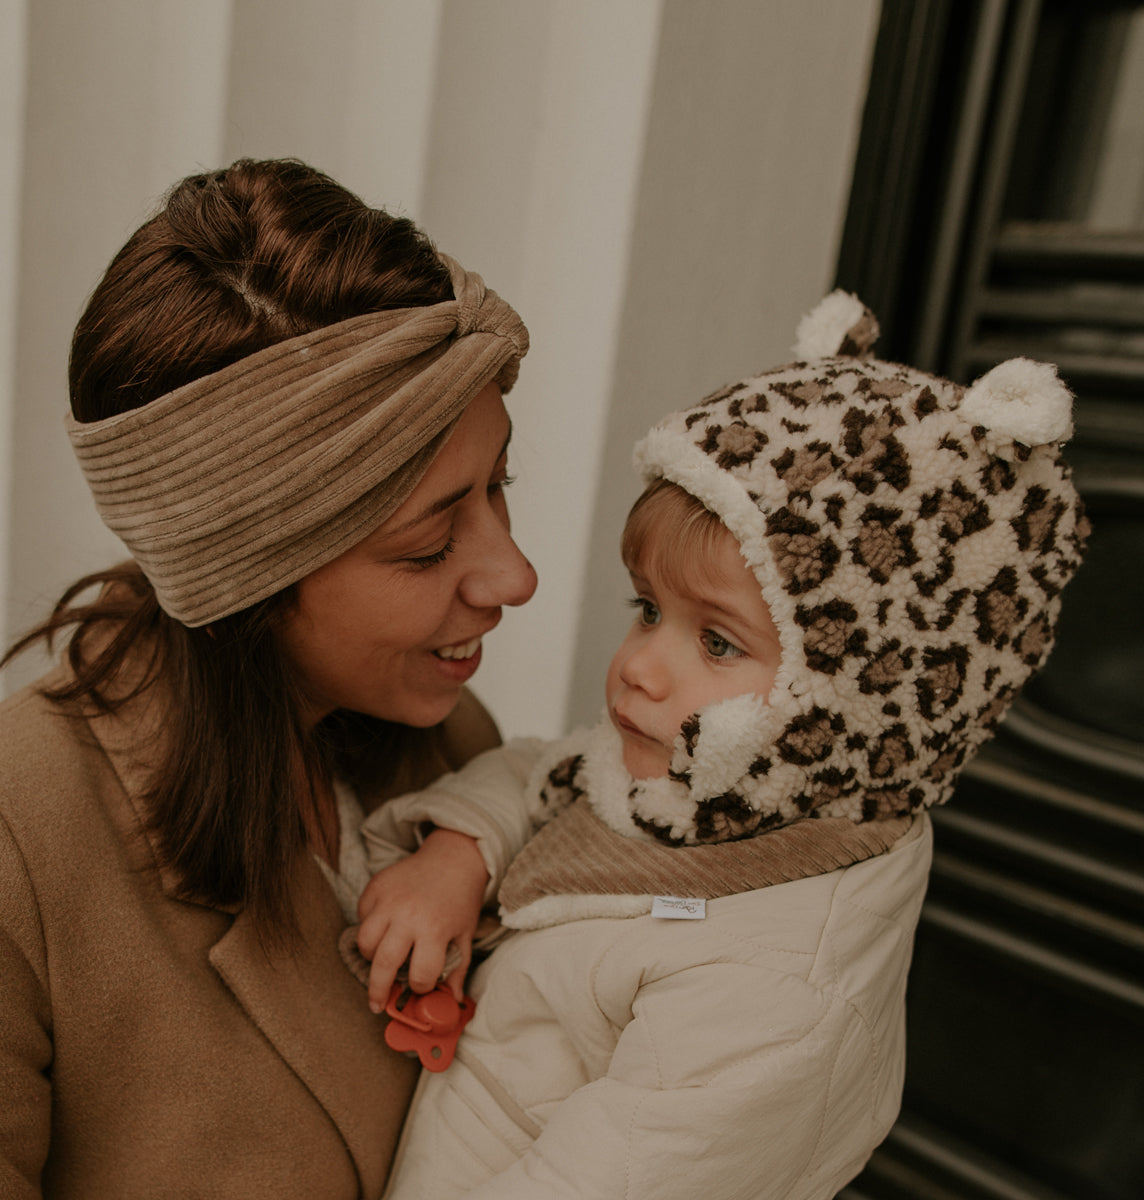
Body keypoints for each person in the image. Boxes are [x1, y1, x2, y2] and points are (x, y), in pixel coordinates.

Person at [353, 291, 1090, 1199]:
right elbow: (556, 774)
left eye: (716, 642)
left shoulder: (776, 995)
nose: (639, 668)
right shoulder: (707, 788)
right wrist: (462, 852)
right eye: (648, 611)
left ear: (854, 703)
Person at [0, 158, 538, 1198]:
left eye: (501, 486)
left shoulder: (455, 755)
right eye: (428, 542)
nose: (513, 576)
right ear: (250, 573)